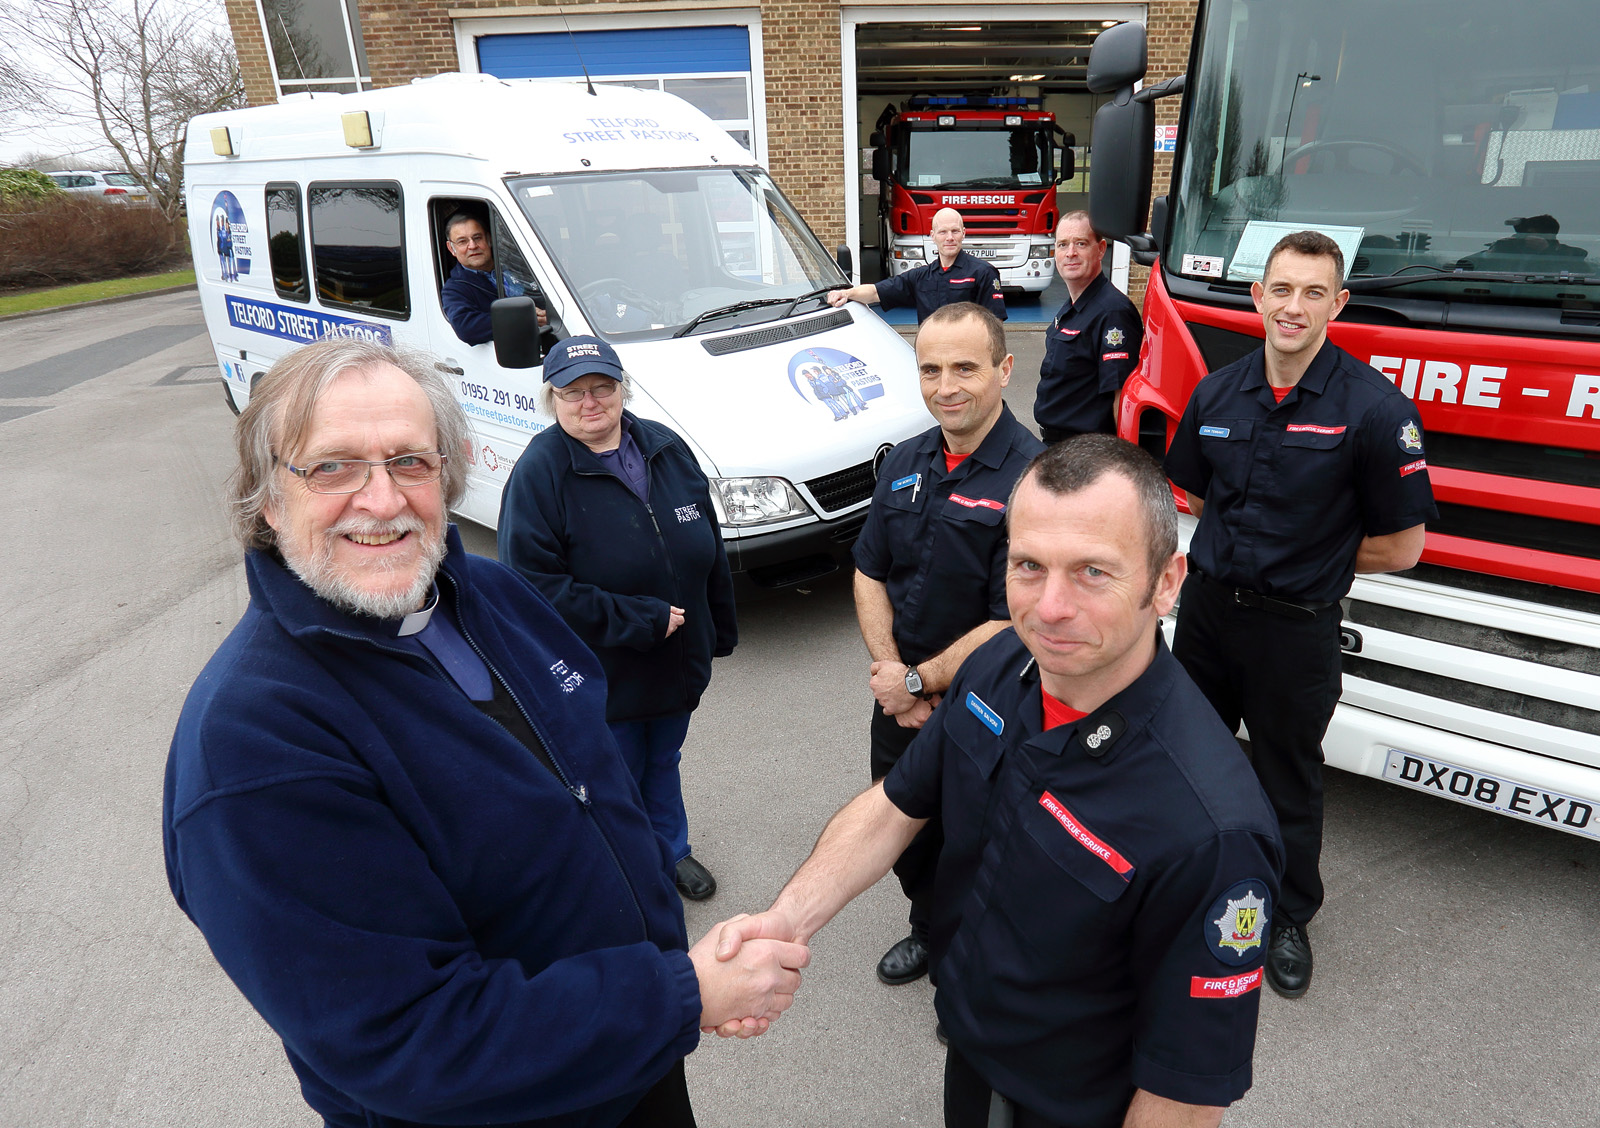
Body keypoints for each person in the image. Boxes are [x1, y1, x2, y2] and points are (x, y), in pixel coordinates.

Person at [162, 338, 804, 1128]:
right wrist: (682, 994)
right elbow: (410, 1038)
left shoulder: (493, 594)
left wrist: (664, 976)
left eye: (410, 461)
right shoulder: (255, 743)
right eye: (332, 467)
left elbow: (596, 786)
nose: (382, 500)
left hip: (628, 1066)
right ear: (267, 498)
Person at [712, 436, 1284, 1128]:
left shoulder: (1213, 829)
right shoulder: (1000, 663)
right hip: (973, 1054)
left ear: (1166, 582)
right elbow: (894, 807)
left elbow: (1185, 1094)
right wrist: (786, 921)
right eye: (1028, 565)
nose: (1050, 607)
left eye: (1093, 572)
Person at [1163, 229, 1437, 1000]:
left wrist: (1309, 561)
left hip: (1295, 630)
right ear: (1258, 296)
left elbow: (1404, 546)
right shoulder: (1217, 393)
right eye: (1281, 289)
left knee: (1286, 775)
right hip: (1208, 616)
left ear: (1337, 304)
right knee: (1189, 760)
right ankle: (1184, 887)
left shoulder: (1375, 410)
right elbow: (1194, 493)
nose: (1294, 306)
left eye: (1314, 292)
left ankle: (1285, 917)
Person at [498, 336, 737, 903]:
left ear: (621, 389)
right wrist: (639, 618)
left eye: (602, 387)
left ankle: (670, 851)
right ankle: (627, 868)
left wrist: (720, 628)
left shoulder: (664, 447)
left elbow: (707, 544)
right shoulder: (540, 472)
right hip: (601, 669)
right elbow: (532, 588)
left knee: (664, 758)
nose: (590, 402)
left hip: (676, 658)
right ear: (552, 399)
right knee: (613, 774)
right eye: (573, 392)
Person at [851, 301, 1043, 986]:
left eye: (965, 368)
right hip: (900, 696)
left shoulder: (1037, 481)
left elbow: (1014, 617)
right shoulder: (907, 460)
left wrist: (918, 682)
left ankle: (973, 956)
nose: (946, 386)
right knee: (901, 820)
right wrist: (893, 676)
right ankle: (930, 928)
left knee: (977, 838)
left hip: (988, 705)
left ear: (1004, 369)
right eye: (930, 369)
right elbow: (869, 571)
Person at [1034, 212, 1144, 444]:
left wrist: (1122, 457)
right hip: (1059, 445)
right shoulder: (1073, 307)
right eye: (1063, 245)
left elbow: (1122, 396)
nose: (1070, 253)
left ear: (1101, 249)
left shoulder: (1112, 312)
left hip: (1087, 451)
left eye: (1081, 244)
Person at [830, 208, 1008, 323]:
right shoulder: (922, 277)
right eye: (943, 232)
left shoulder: (983, 273)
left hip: (967, 361)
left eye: (955, 231)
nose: (949, 237)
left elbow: (995, 324)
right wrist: (846, 293)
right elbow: (876, 292)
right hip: (931, 361)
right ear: (933, 236)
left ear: (963, 233)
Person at [440, 211, 545, 346]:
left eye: (477, 238)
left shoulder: (517, 264)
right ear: (451, 248)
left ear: (489, 238)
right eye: (462, 241)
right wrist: (523, 317)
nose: (472, 246)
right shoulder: (454, 289)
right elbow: (466, 328)